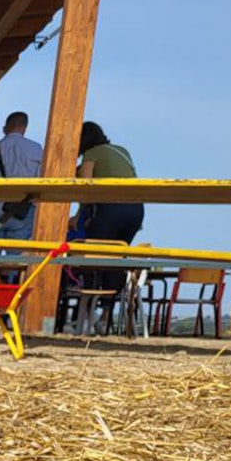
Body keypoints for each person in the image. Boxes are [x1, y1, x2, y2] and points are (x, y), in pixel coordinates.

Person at [73, 121, 143, 331]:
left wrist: (79, 214)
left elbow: (86, 187)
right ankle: (105, 315)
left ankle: (87, 313)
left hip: (112, 209)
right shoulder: (121, 150)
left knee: (93, 257)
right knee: (116, 259)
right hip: (136, 210)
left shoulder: (92, 154)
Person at [0, 111, 43, 239]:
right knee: (16, 257)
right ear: (24, 128)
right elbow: (41, 183)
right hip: (23, 211)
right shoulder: (36, 149)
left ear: (5, 128)